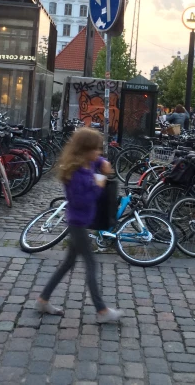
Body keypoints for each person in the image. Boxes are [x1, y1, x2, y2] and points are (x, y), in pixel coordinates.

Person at [33, 128, 123, 323]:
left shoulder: (86, 163)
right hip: (78, 223)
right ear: (85, 150)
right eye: (96, 150)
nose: (99, 153)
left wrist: (102, 163)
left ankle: (43, 299)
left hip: (80, 222)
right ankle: (102, 311)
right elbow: (81, 201)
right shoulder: (76, 174)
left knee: (68, 263)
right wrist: (98, 186)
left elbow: (96, 161)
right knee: (91, 264)